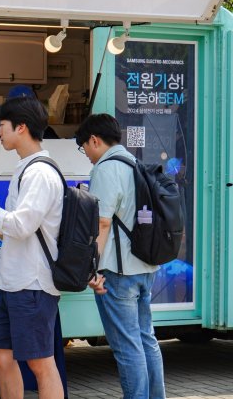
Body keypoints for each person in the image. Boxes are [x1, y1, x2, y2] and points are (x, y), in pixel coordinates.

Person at [0, 96, 64, 399]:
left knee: (40, 362)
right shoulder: (26, 169)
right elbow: (17, 232)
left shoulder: (39, 173)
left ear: (21, 127)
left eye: (2, 126)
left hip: (32, 283)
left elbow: (21, 226)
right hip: (13, 281)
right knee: (2, 357)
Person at [75, 113, 165, 399]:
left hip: (118, 271)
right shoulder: (134, 163)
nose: (86, 154)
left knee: (127, 346)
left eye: (84, 147)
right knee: (145, 339)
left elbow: (101, 223)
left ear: (94, 140)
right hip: (144, 266)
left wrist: (92, 268)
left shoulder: (106, 168)